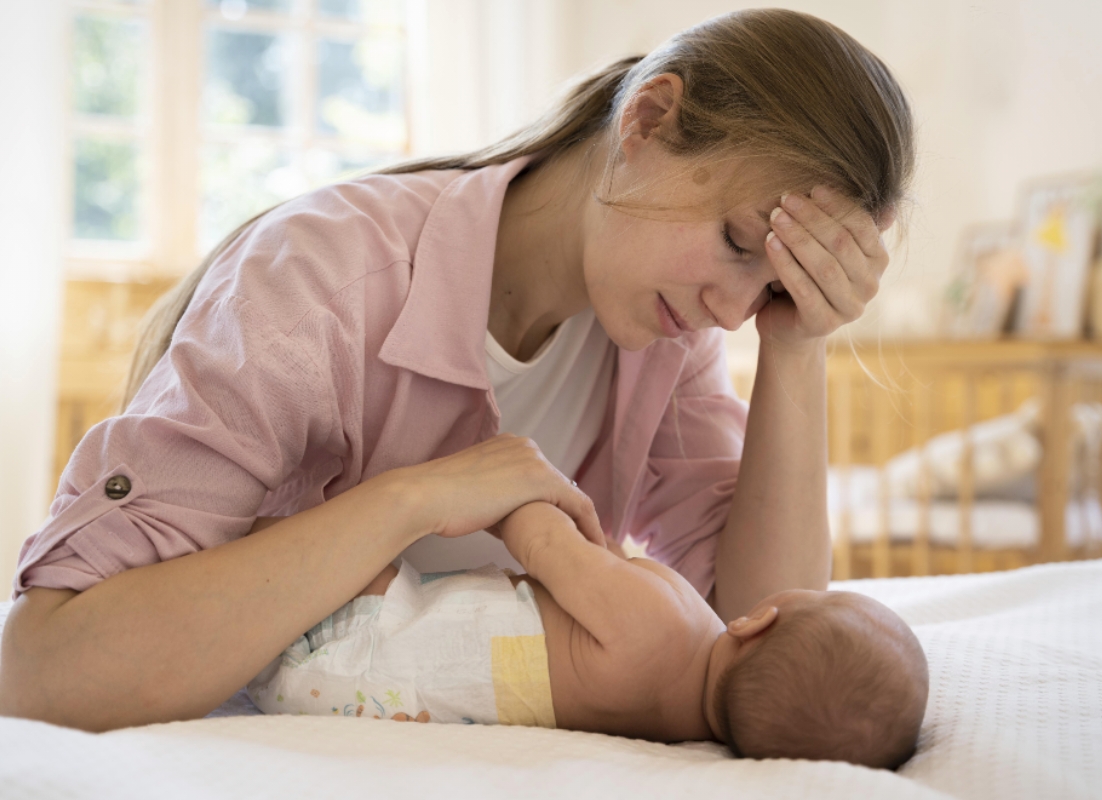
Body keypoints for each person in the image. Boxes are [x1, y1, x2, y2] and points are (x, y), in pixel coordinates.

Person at [0, 7, 914, 732]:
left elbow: (757, 657)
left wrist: (797, 346)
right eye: (737, 243)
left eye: (771, 287)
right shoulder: (320, 278)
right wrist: (413, 498)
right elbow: (43, 667)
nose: (730, 309)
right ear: (648, 117)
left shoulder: (668, 337)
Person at [252, 502, 929, 768]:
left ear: (756, 623)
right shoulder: (669, 726)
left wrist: (516, 488)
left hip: (361, 629)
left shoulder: (670, 620)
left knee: (325, 519)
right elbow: (600, 575)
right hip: (340, 694)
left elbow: (548, 545)